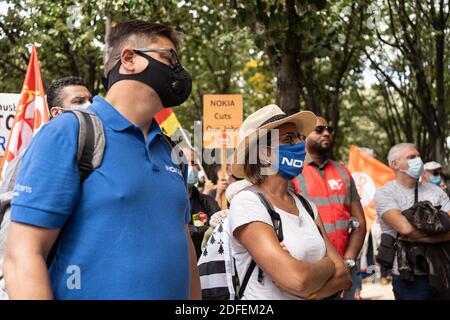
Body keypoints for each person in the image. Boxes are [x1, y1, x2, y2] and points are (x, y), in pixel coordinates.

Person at [3, 20, 200, 299]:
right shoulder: (69, 133)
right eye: (168, 58)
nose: (177, 71)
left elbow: (184, 247)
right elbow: (22, 256)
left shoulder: (171, 151)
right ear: (130, 58)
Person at [228, 104, 352, 300]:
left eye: (298, 138)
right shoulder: (247, 203)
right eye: (289, 139)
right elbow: (298, 280)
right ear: (264, 153)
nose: (299, 145)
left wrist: (309, 291)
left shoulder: (307, 206)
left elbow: (344, 276)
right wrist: (328, 265)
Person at [292, 117, 366, 299]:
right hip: (312, 270)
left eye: (329, 129)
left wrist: (348, 261)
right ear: (303, 136)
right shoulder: (292, 172)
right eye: (319, 129)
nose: (326, 133)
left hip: (345, 270)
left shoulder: (343, 171)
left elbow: (360, 223)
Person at [374, 143, 450, 300]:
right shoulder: (385, 193)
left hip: (442, 270)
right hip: (410, 278)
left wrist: (423, 237)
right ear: (395, 164)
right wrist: (439, 229)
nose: (418, 160)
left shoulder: (436, 191)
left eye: (418, 156)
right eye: (411, 157)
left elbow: (409, 233)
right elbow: (405, 228)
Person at [184, 147, 221, 259]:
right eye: (189, 163)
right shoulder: (167, 202)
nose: (193, 167)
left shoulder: (207, 202)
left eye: (195, 163)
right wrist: (205, 230)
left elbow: (219, 230)